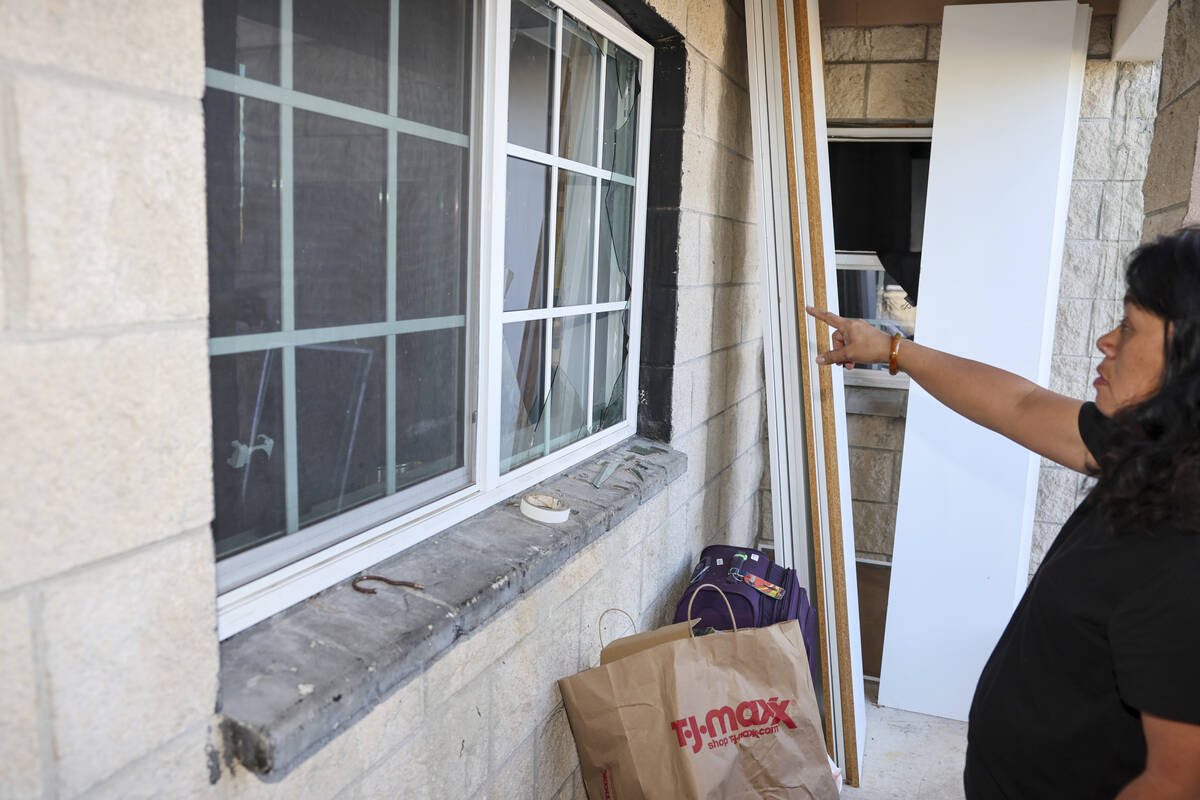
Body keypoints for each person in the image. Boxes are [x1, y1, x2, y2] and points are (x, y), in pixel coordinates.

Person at [806, 228, 1200, 799]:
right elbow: (1020, 404)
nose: (1104, 340)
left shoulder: (1186, 547)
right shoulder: (1153, 452)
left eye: (1131, 328)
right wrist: (892, 349)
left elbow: (1178, 780)